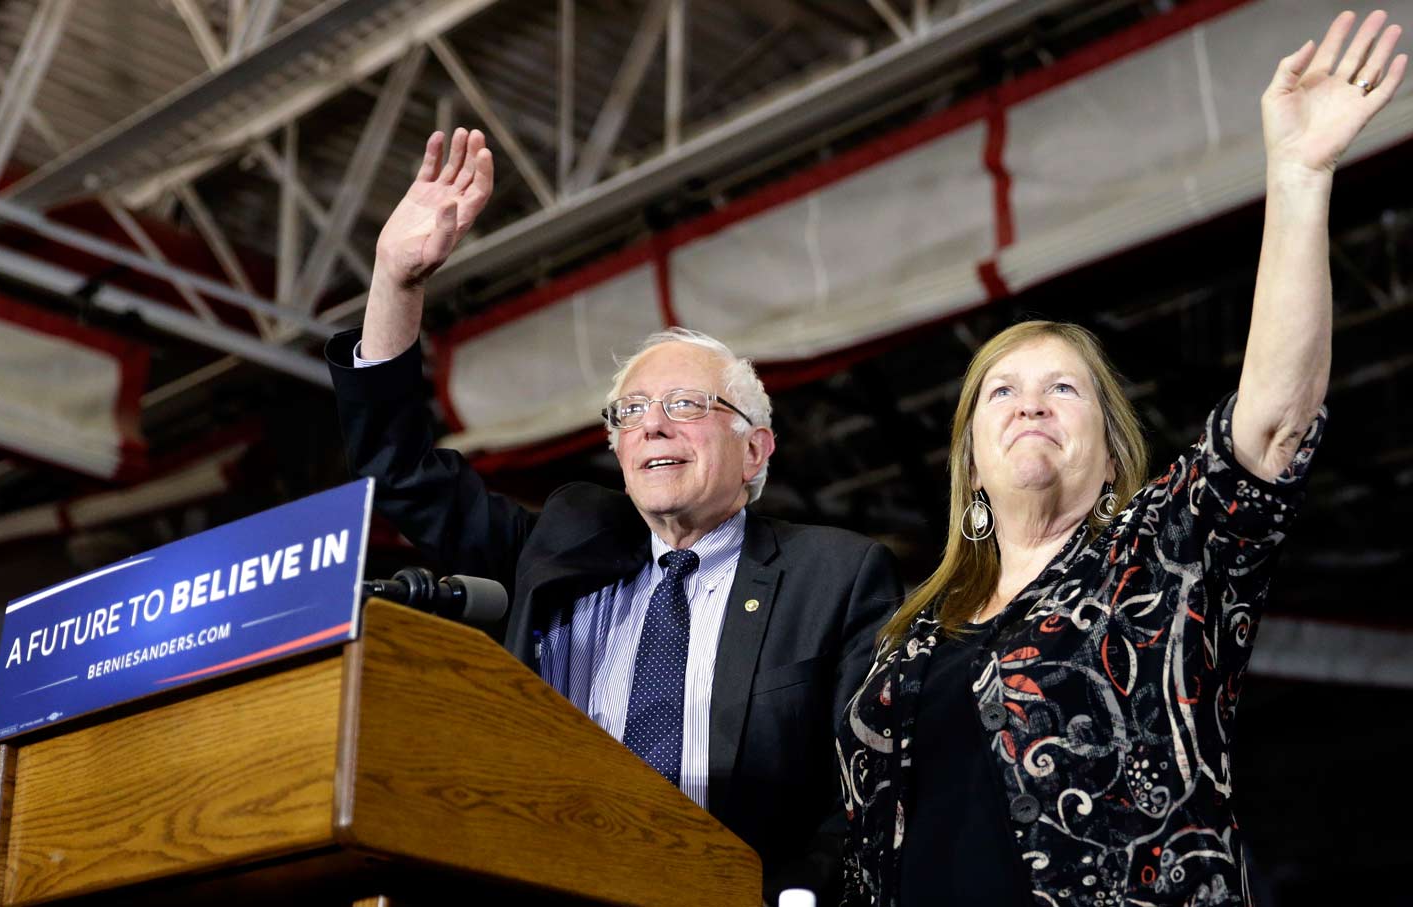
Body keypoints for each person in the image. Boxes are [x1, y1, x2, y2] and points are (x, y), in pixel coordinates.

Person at [837, 10, 1404, 906]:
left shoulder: (1165, 559)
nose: (1030, 400)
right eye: (1002, 390)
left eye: (1064, 389)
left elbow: (1273, 424)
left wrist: (1298, 176)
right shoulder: (901, 639)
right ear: (971, 468)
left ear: (1110, 457)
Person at [326, 127, 903, 903]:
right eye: (631, 411)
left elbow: (872, 781)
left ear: (756, 449)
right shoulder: (562, 544)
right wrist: (394, 282)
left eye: (685, 405)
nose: (653, 425)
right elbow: (401, 473)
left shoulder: (834, 575)